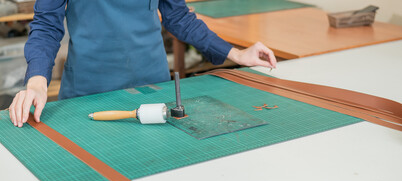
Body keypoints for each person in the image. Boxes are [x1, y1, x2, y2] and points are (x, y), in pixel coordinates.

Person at [9, 0, 277, 127]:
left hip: (153, 86)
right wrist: (37, 81)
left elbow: (178, 18)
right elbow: (46, 25)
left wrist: (235, 54)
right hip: (89, 89)